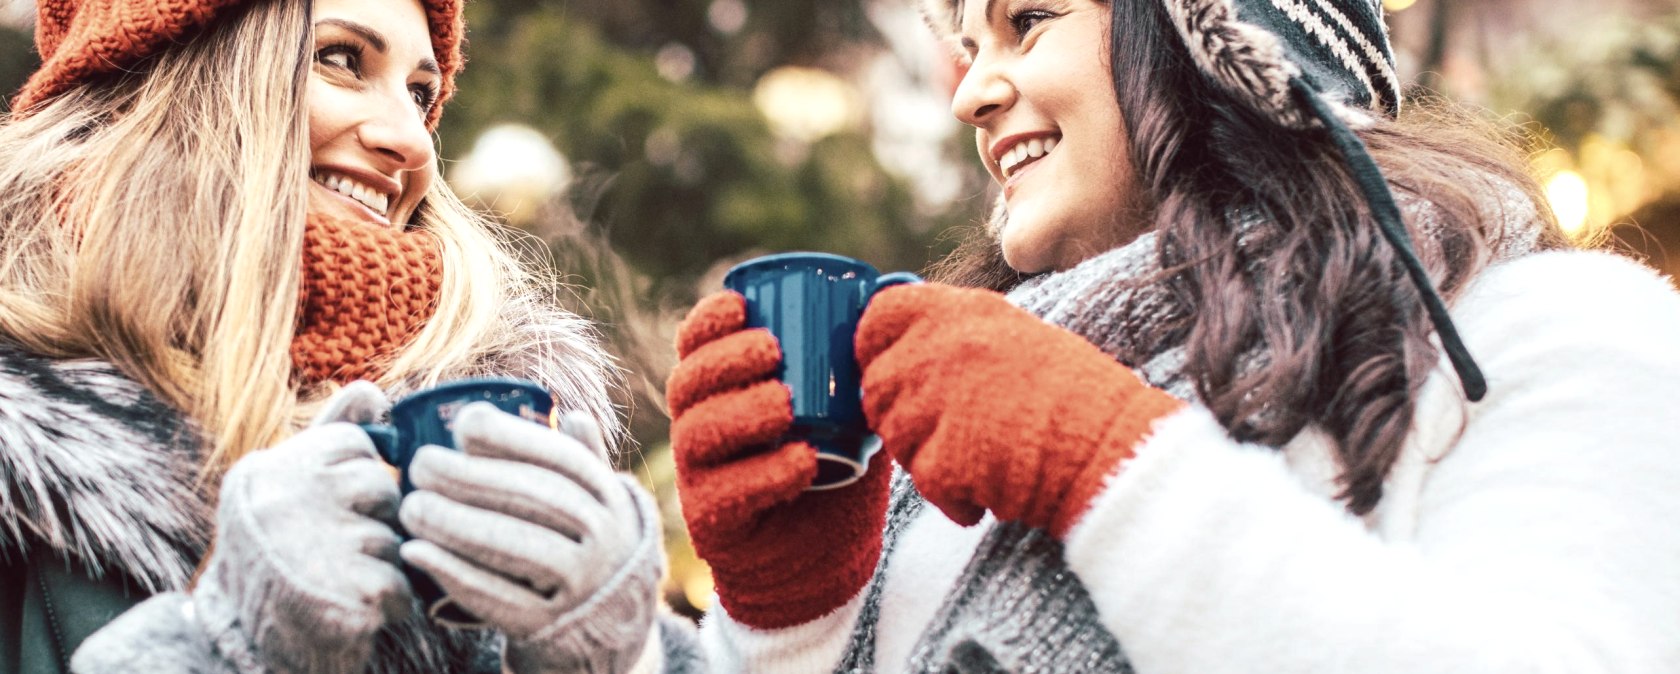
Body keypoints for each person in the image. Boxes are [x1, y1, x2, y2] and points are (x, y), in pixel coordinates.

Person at [667, 0, 1680, 671]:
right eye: (968, 48)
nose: (969, 92)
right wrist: (792, 623)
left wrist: (1115, 471)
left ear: (1222, 35)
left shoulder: (1552, 328)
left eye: (1029, 20)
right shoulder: (954, 454)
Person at [0, 1, 699, 672]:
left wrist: (633, 658)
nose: (413, 139)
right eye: (341, 59)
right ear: (170, 75)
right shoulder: (22, 455)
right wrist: (229, 645)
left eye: (423, 95)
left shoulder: (481, 418)